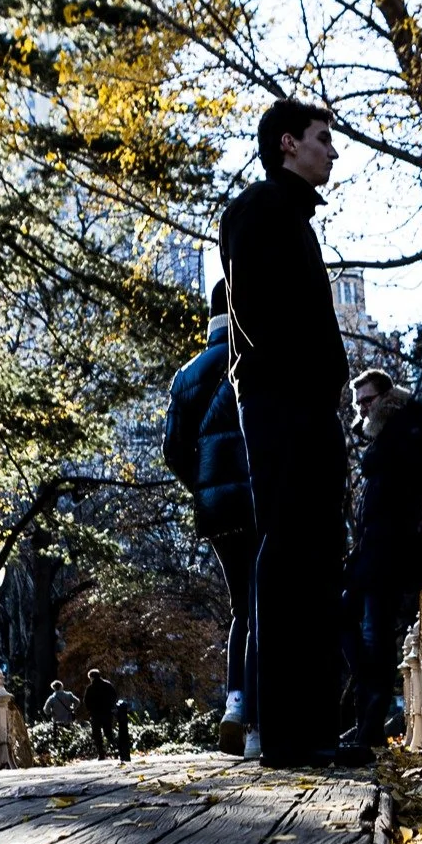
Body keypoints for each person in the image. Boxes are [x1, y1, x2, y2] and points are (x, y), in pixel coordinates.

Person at [219, 97, 368, 768]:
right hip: (286, 406)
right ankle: (287, 735)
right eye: (322, 138)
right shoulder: (259, 211)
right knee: (290, 557)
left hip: (302, 403)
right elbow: (251, 313)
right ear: (287, 143)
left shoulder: (288, 215)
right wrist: (305, 381)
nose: (331, 151)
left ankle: (307, 730)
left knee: (311, 559)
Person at [163, 280, 259, 760]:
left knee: (241, 604)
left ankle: (234, 702)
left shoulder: (186, 376)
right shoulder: (256, 351)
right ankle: (260, 720)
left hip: (217, 512)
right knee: (263, 604)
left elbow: (173, 451)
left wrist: (203, 486)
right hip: (260, 500)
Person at [345, 369, 422, 745]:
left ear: (387, 396)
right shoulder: (387, 433)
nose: (363, 408)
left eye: (369, 399)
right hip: (374, 550)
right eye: (359, 402)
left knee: (374, 636)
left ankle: (370, 724)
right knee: (358, 627)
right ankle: (368, 718)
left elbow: (402, 493)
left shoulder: (405, 429)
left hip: (390, 550)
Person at [83, 668, 118, 760]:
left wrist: (90, 710)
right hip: (107, 712)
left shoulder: (90, 688)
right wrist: (111, 706)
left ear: (91, 677)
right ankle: (115, 751)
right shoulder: (107, 685)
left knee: (97, 734)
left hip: (96, 714)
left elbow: (86, 701)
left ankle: (101, 754)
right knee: (108, 732)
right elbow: (114, 696)